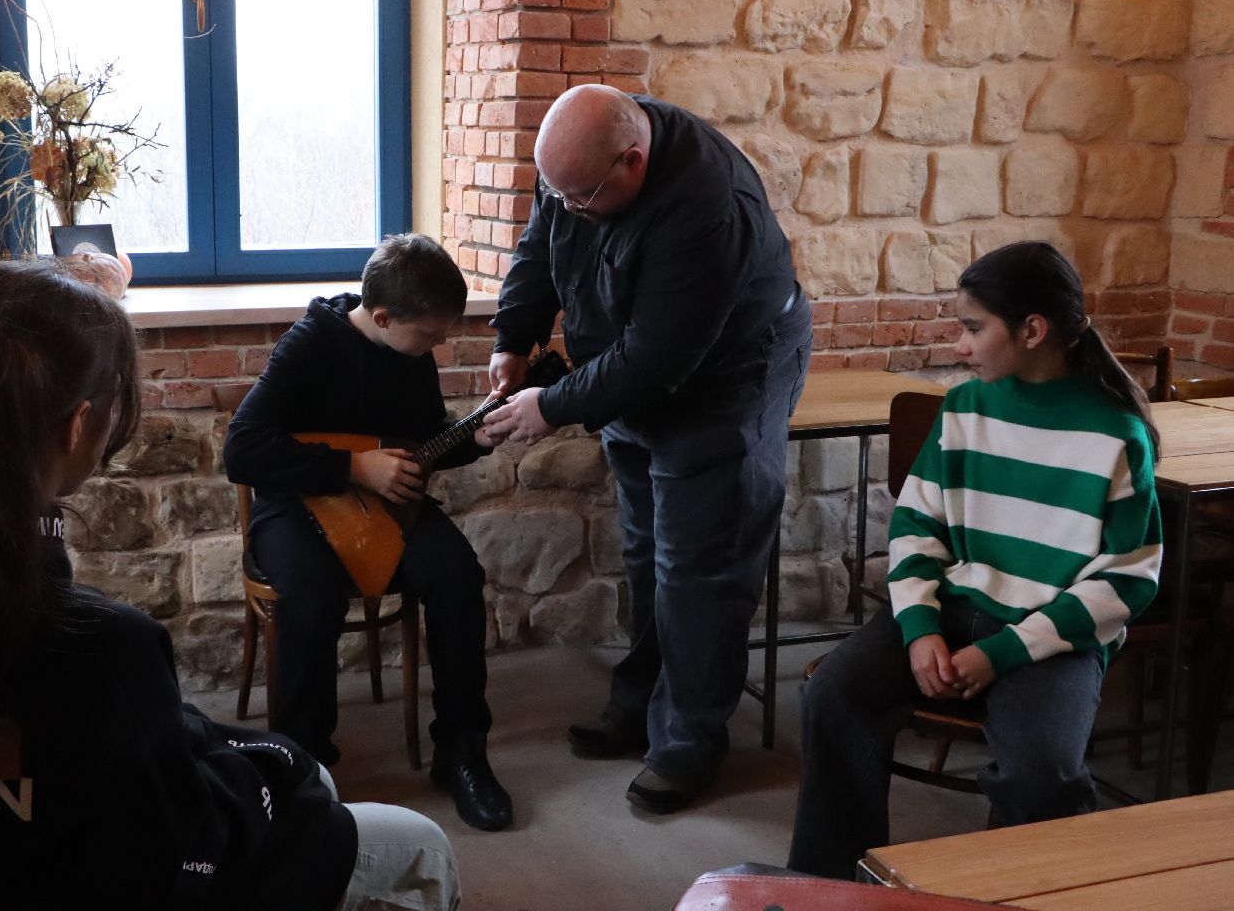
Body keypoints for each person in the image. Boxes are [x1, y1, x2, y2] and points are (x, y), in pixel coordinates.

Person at [0, 261, 460, 910]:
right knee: (416, 838)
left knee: (299, 765)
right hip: (91, 882)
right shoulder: (104, 649)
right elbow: (185, 846)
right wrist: (261, 773)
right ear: (78, 424)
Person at [787, 241, 1163, 879]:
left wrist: (1004, 653)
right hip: (953, 610)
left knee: (1044, 772)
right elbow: (915, 526)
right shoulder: (963, 409)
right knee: (832, 694)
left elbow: (1128, 579)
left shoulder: (1116, 435)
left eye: (972, 328)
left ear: (1032, 330)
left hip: (1052, 638)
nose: (959, 346)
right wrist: (920, 628)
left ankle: (1032, 890)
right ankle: (830, 885)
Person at [483, 83, 811, 814]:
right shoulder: (577, 163)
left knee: (699, 563)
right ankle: (640, 704)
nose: (564, 205)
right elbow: (542, 245)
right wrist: (514, 334)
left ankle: (689, 742)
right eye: (555, 190)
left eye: (580, 195)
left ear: (632, 162)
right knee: (647, 551)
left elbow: (660, 359)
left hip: (726, 376)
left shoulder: (708, 206)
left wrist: (554, 406)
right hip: (625, 370)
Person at [222, 234, 513, 832]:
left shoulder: (409, 353)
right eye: (430, 335)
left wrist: (474, 439)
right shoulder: (309, 345)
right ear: (382, 317)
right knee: (311, 594)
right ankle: (302, 768)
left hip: (387, 508)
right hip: (296, 505)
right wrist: (352, 467)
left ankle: (461, 752)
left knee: (458, 575)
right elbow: (243, 449)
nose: (438, 345)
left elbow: (422, 444)